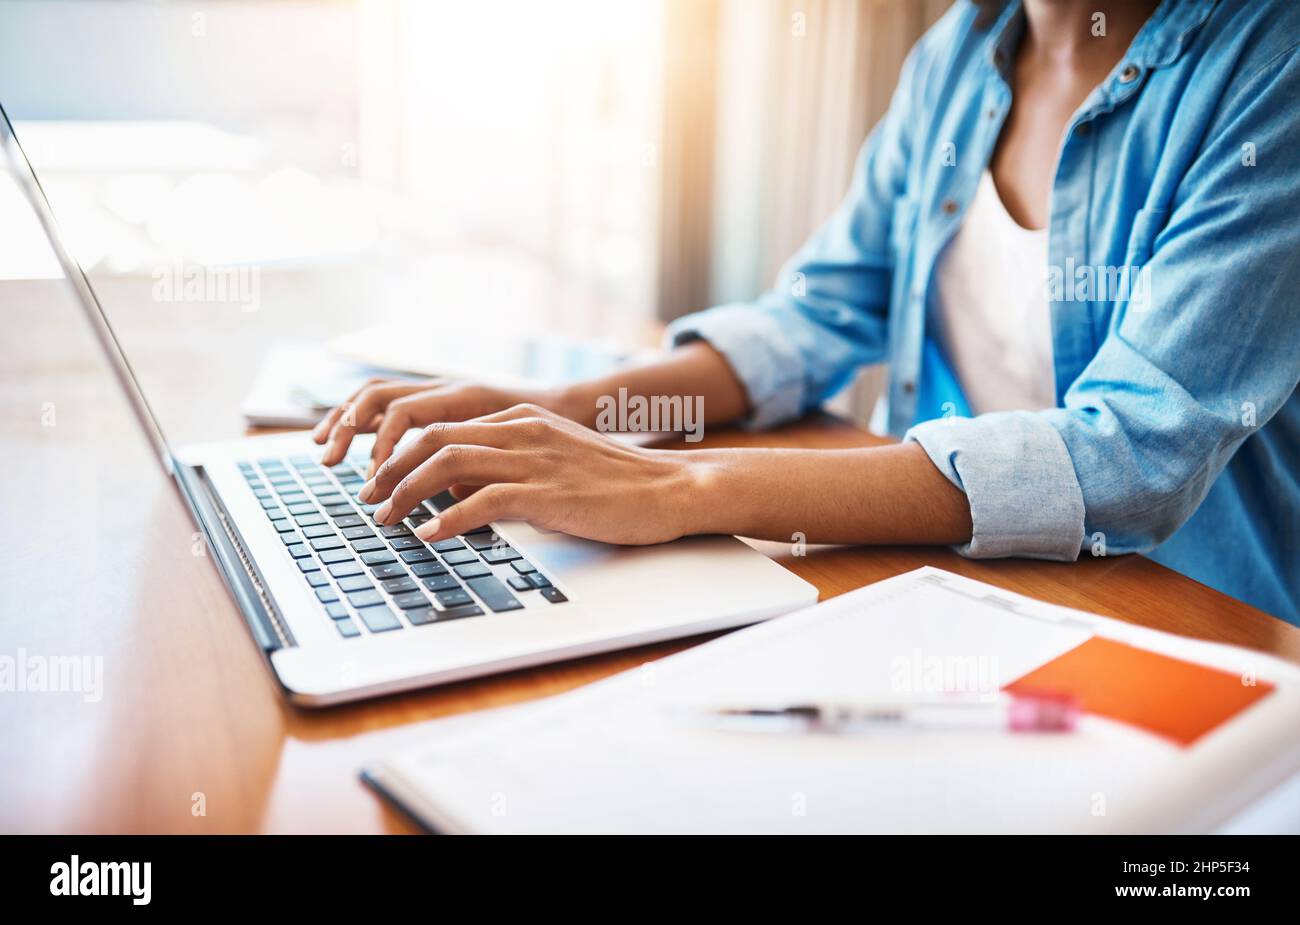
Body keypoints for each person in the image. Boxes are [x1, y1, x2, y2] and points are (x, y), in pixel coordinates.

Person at [314, 0, 1300, 624]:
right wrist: (573, 410)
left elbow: (1132, 454)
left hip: (1201, 629)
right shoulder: (959, 52)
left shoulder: (1272, 67)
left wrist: (679, 488)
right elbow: (818, 315)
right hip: (971, 593)